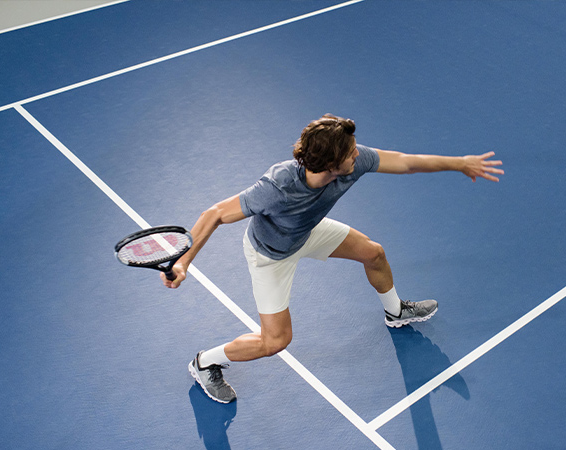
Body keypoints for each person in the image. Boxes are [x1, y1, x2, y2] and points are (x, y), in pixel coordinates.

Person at [163, 114, 504, 403]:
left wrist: (460, 164)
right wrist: (183, 261)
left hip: (307, 231)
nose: (359, 155)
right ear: (330, 165)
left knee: (373, 253)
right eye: (352, 153)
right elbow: (215, 213)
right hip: (271, 255)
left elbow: (405, 161)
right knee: (275, 341)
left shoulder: (350, 163)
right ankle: (205, 363)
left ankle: (395, 311)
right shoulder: (278, 186)